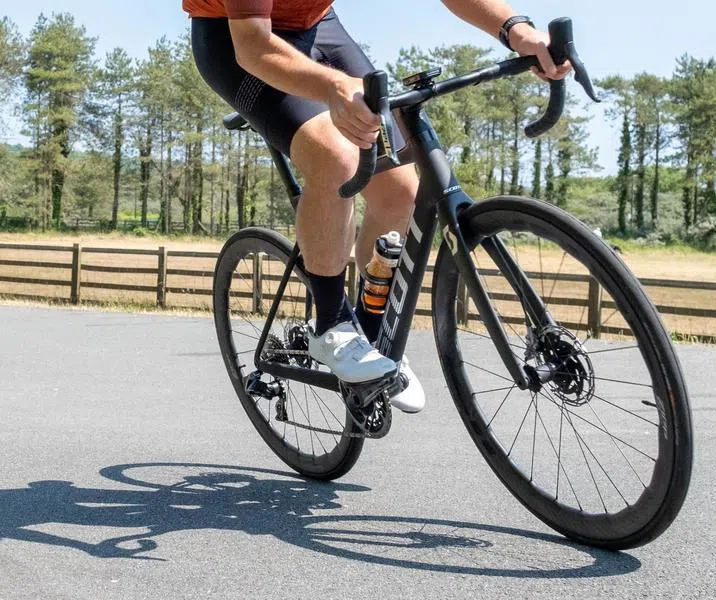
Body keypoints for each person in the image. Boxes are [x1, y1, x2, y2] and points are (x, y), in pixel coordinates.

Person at [184, 0, 571, 413]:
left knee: (402, 191)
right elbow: (254, 47)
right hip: (237, 39)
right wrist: (334, 88)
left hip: (318, 25)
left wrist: (516, 30)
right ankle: (331, 327)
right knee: (336, 158)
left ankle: (371, 332)